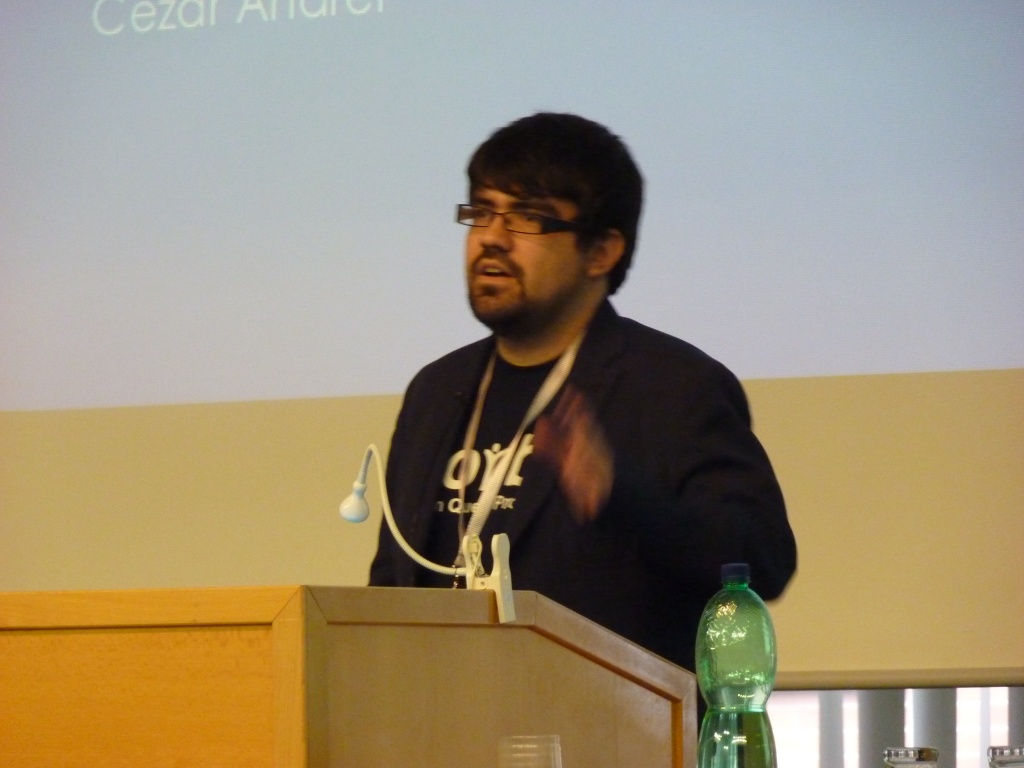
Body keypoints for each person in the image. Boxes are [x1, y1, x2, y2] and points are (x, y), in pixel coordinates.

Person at [368, 112, 797, 675]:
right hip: (437, 712)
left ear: (602, 251)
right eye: (483, 211)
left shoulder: (674, 385)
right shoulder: (436, 390)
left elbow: (762, 560)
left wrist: (621, 495)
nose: (492, 238)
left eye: (527, 218)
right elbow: (390, 580)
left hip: (606, 718)